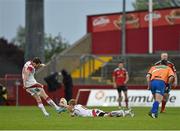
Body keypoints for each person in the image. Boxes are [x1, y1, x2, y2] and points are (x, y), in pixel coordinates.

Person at [59, 99, 134, 117]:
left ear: (71, 105)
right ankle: (126, 112)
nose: (69, 106)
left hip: (94, 113)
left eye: (69, 104)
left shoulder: (74, 108)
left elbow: (70, 110)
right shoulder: (78, 106)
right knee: (109, 114)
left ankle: (123, 112)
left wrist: (63, 104)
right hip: (94, 111)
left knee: (108, 115)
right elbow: (72, 114)